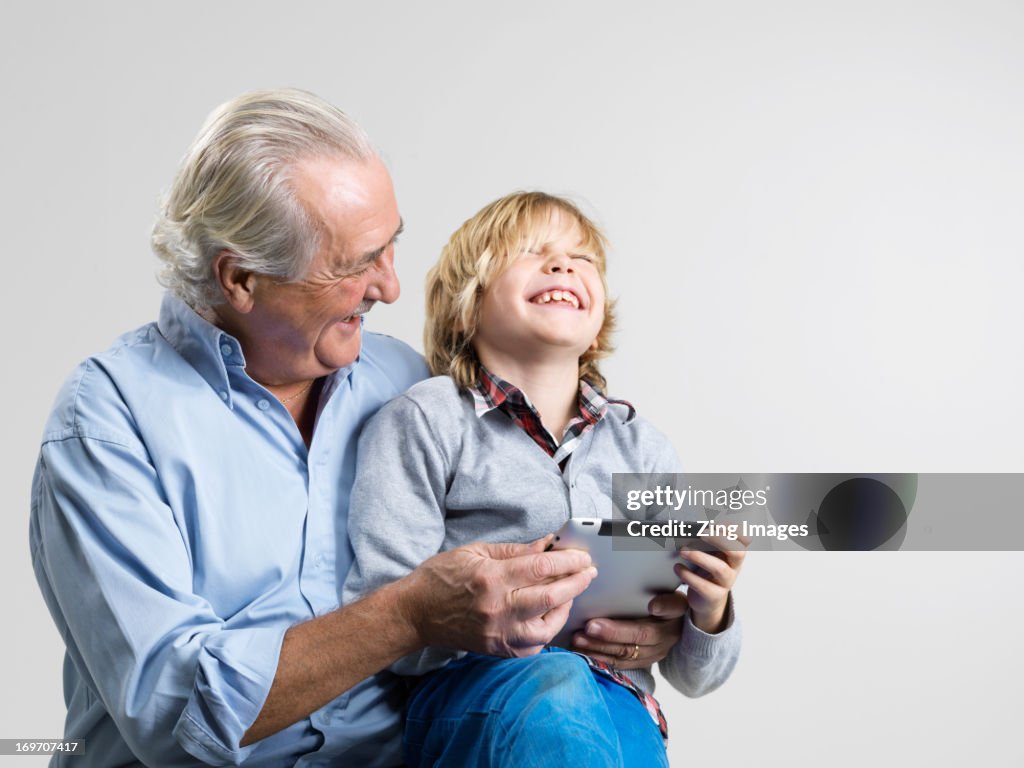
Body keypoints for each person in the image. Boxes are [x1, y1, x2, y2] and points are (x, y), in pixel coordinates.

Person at [29, 90, 599, 767]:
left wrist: (623, 630)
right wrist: (402, 615)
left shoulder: (408, 383)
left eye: (392, 248)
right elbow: (172, 710)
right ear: (240, 277)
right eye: (357, 263)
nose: (390, 288)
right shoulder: (106, 420)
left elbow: (490, 574)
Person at [343, 192, 746, 767]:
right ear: (466, 305)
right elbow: (382, 617)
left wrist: (712, 609)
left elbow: (697, 677)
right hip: (470, 698)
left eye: (581, 259)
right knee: (556, 684)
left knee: (617, 728)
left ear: (601, 316)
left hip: (618, 702)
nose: (563, 266)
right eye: (531, 253)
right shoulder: (425, 419)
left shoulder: (642, 446)